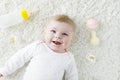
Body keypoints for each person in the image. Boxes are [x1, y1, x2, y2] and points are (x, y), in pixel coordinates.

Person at [0, 15, 78, 80]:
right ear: (45, 31)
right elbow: (20, 57)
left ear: (72, 39)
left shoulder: (68, 58)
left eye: (64, 34)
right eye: (53, 31)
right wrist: (5, 70)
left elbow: (73, 76)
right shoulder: (38, 46)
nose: (58, 36)